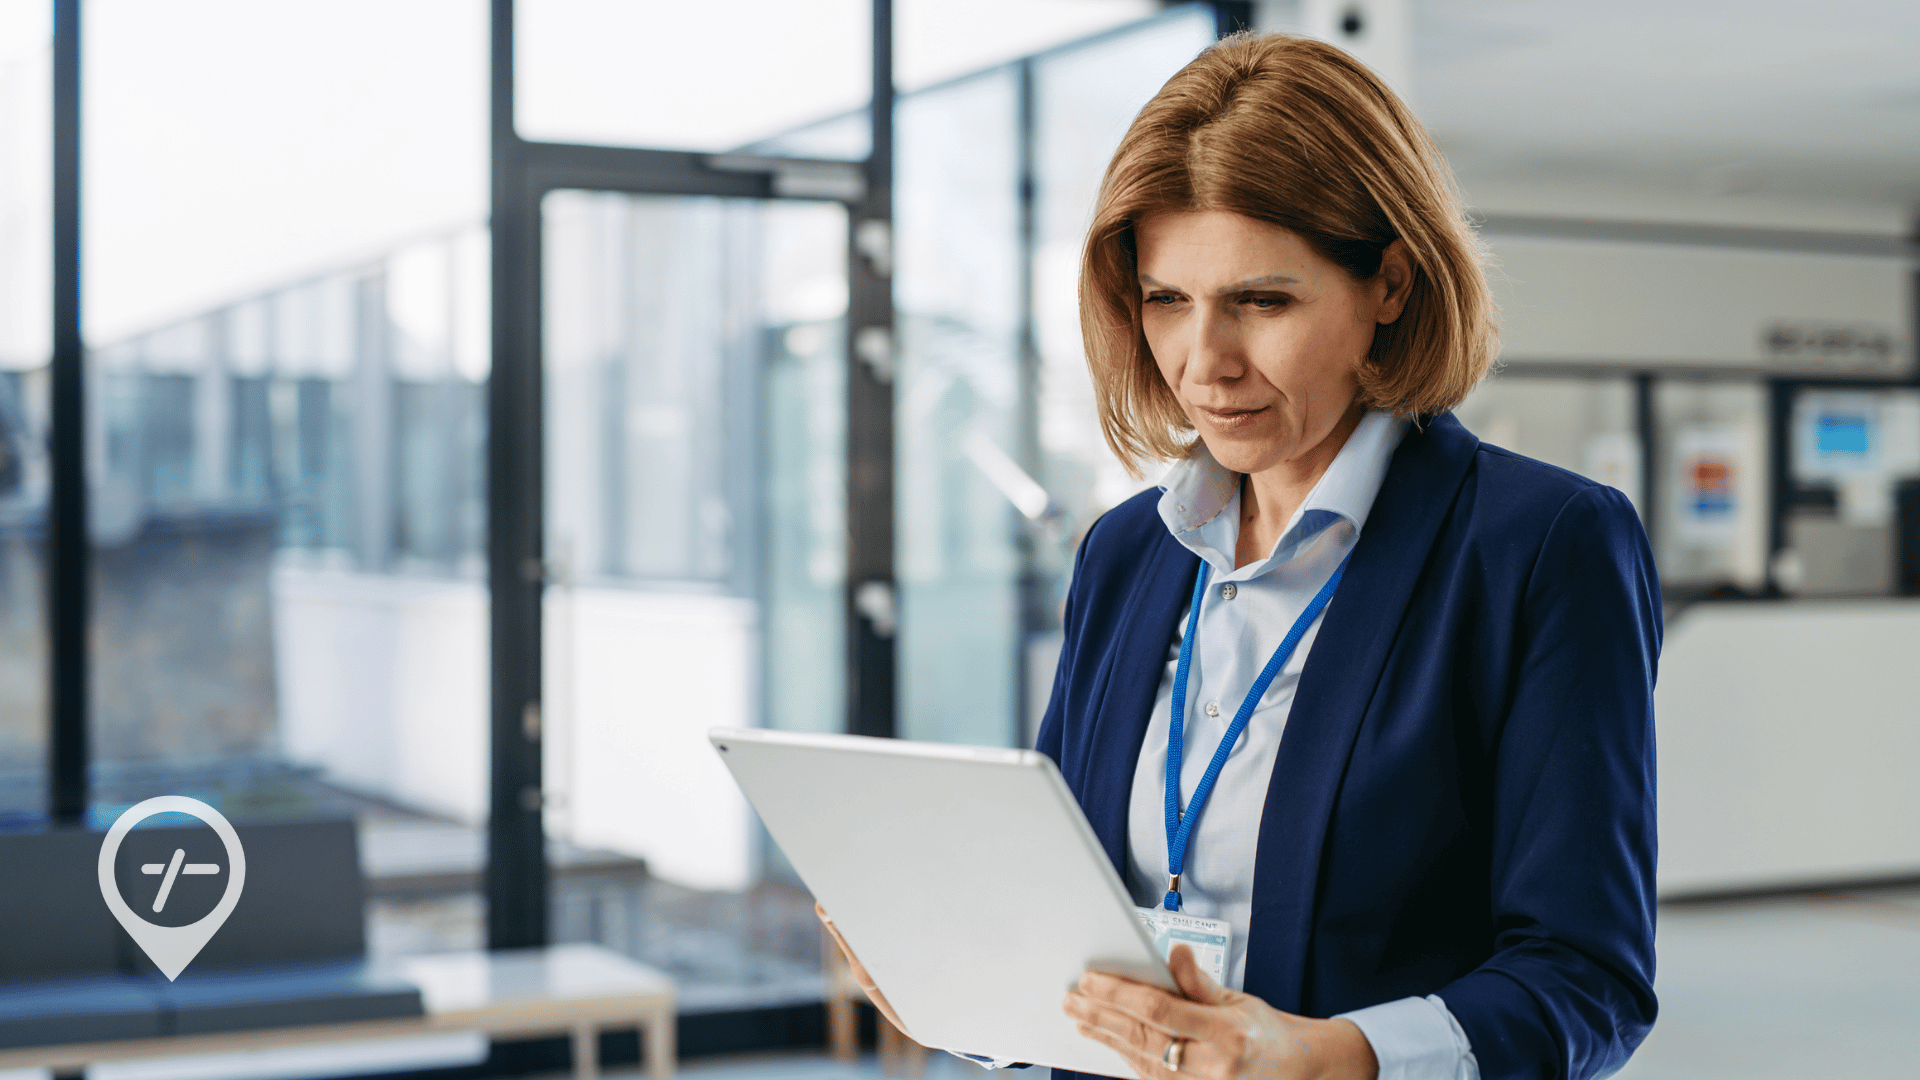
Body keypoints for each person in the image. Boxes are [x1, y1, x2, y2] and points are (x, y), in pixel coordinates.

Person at [824, 31, 1658, 1080]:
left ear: (1389, 286)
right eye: (1167, 300)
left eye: (1261, 302)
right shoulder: (1125, 554)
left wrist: (1331, 1058)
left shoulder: (1539, 547)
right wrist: (959, 975)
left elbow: (1586, 978)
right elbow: (1070, 917)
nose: (1203, 365)